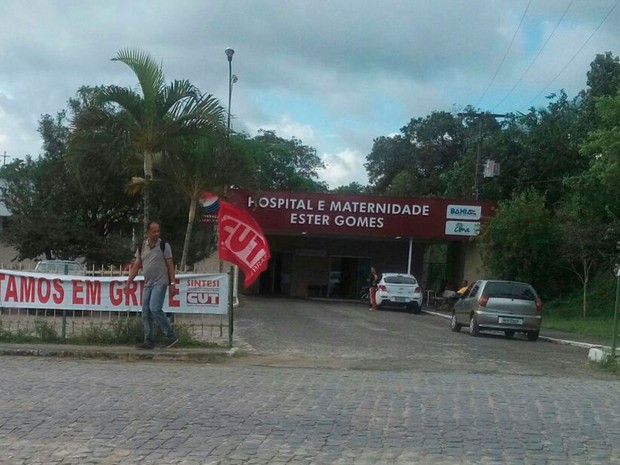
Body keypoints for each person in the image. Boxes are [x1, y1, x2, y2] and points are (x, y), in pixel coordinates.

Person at [126, 220, 178, 350]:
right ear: (148, 232)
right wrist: (129, 282)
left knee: (154, 308)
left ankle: (171, 336)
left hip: (160, 282)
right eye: (154, 231)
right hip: (148, 283)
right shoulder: (142, 246)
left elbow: (170, 266)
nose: (157, 233)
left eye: (158, 231)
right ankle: (149, 341)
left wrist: (172, 283)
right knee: (146, 312)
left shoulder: (164, 246)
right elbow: (137, 265)